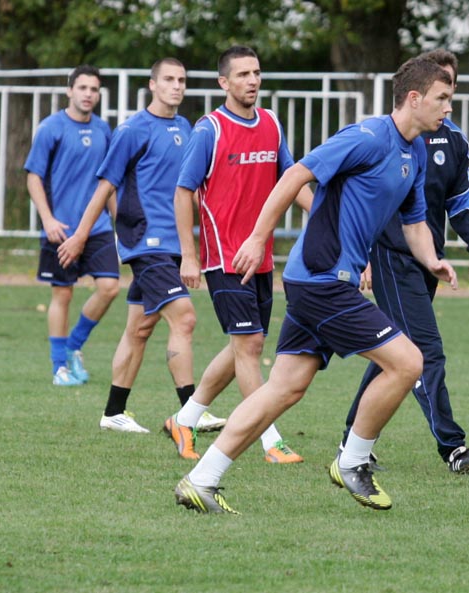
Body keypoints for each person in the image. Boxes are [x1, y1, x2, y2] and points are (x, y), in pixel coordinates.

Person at [173, 56, 458, 514]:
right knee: (408, 362)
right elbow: (294, 175)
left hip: (322, 281)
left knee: (284, 387)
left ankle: (201, 480)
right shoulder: (365, 137)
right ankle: (353, 461)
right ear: (414, 98)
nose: (448, 108)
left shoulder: (416, 152)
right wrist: (258, 236)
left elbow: (414, 222)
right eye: (443, 99)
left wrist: (433, 260)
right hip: (322, 279)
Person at [339, 49, 469, 474]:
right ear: (416, 93)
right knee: (425, 352)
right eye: (439, 91)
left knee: (395, 352)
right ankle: (454, 448)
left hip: (428, 260)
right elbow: (353, 198)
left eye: (450, 90)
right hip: (389, 256)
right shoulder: (384, 137)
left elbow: (462, 201)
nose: (446, 101)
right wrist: (358, 255)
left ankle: (351, 438)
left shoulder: (452, 139)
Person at [165, 45, 312, 463]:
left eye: (257, 73)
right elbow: (183, 192)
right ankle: (270, 440)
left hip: (260, 257)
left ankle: (186, 418)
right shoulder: (208, 129)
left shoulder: (270, 124)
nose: (252, 81)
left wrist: (322, 214)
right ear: (223, 83)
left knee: (242, 346)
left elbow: (290, 179)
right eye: (243, 74)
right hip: (223, 256)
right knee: (249, 345)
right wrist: (188, 256)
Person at [58, 58, 199, 433]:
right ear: (152, 85)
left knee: (139, 328)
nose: (176, 86)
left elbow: (190, 189)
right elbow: (105, 186)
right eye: (168, 79)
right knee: (184, 317)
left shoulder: (185, 127)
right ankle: (191, 413)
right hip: (145, 241)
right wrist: (81, 235)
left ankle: (113, 413)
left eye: (182, 80)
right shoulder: (133, 130)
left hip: (172, 242)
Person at [24, 65, 120, 386]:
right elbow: (33, 177)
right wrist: (48, 220)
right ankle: (59, 368)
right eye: (82, 88)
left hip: (98, 227)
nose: (88, 94)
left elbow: (109, 183)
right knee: (62, 296)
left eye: (94, 89)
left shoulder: (104, 130)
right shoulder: (51, 127)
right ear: (70, 91)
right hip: (60, 228)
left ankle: (74, 345)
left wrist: (120, 223)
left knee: (109, 288)